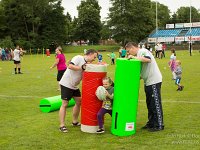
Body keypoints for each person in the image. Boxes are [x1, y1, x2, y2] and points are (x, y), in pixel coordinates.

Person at [125, 42, 164, 132]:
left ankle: (159, 125)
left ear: (132, 48)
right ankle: (151, 123)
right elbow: (144, 70)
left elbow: (148, 59)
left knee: (155, 103)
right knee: (149, 104)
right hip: (148, 82)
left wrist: (133, 57)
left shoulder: (142, 51)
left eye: (128, 51)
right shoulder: (139, 55)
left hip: (154, 81)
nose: (128, 53)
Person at [58, 49, 97, 133]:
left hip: (74, 86)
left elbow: (83, 76)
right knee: (65, 104)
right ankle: (62, 125)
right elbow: (70, 66)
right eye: (94, 57)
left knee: (79, 102)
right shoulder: (78, 58)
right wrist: (82, 67)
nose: (94, 59)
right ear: (90, 54)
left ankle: (74, 121)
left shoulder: (87, 64)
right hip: (66, 84)